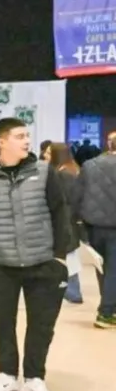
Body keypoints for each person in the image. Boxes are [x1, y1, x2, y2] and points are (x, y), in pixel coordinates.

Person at [0, 117, 75, 391]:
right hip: (0, 265)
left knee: (42, 325)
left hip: (44, 262)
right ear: (1, 142)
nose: (27, 141)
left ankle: (35, 380)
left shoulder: (44, 171)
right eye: (20, 136)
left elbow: (60, 213)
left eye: (27, 136)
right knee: (2, 322)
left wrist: (60, 256)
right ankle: (7, 375)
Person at [76, 129, 116, 329]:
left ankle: (110, 307)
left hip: (93, 225)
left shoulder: (89, 165)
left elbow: (78, 194)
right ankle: (106, 312)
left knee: (102, 268)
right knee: (114, 270)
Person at [46, 142, 84, 304]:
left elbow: (69, 201)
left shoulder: (64, 174)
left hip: (66, 223)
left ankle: (72, 291)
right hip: (69, 223)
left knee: (68, 258)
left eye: (48, 153)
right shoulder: (70, 170)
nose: (45, 155)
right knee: (69, 257)